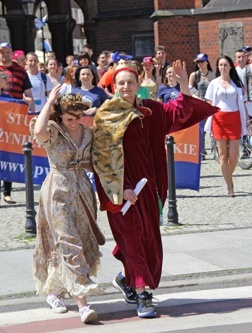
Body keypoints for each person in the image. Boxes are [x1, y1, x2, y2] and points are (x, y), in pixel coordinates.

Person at [91, 60, 219, 319]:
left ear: (138, 84)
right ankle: (142, 295)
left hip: (148, 188)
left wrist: (183, 84)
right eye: (121, 83)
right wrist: (122, 188)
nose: (126, 87)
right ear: (114, 87)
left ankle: (128, 279)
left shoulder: (151, 109)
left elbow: (178, 113)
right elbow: (102, 159)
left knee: (148, 239)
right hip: (121, 192)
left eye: (131, 82)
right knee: (134, 238)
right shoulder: (107, 115)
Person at [30, 85, 104, 324]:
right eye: (70, 118)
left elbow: (94, 162)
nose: (75, 122)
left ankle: (54, 292)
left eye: (79, 117)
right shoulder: (53, 130)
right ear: (61, 115)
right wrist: (50, 101)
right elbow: (39, 131)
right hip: (57, 191)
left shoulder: (88, 133)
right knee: (67, 241)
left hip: (82, 191)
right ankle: (83, 303)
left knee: (79, 239)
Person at [205, 55, 248, 196]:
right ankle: (230, 187)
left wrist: (246, 119)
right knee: (223, 155)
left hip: (234, 119)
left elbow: (244, 103)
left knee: (234, 157)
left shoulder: (237, 83)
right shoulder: (214, 83)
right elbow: (209, 104)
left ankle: (227, 177)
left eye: (225, 65)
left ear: (230, 67)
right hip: (219, 119)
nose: (222, 67)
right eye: (220, 65)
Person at [1, 42, 34, 204]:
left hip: (13, 118)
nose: (4, 54)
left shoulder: (20, 71)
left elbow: (28, 93)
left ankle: (7, 191)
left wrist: (29, 103)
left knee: (8, 153)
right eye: (2, 52)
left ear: (11, 53)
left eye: (7, 52)